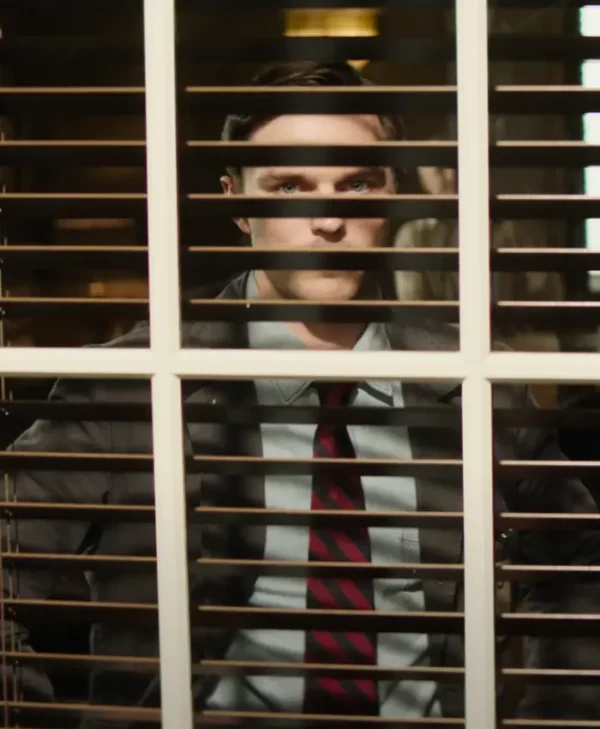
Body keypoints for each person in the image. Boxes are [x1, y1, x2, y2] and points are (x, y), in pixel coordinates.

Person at [2, 61, 600, 726]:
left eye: (356, 184)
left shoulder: (473, 383)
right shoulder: (135, 388)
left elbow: (579, 566)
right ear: (236, 202)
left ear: (392, 194)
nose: (328, 220)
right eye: (290, 187)